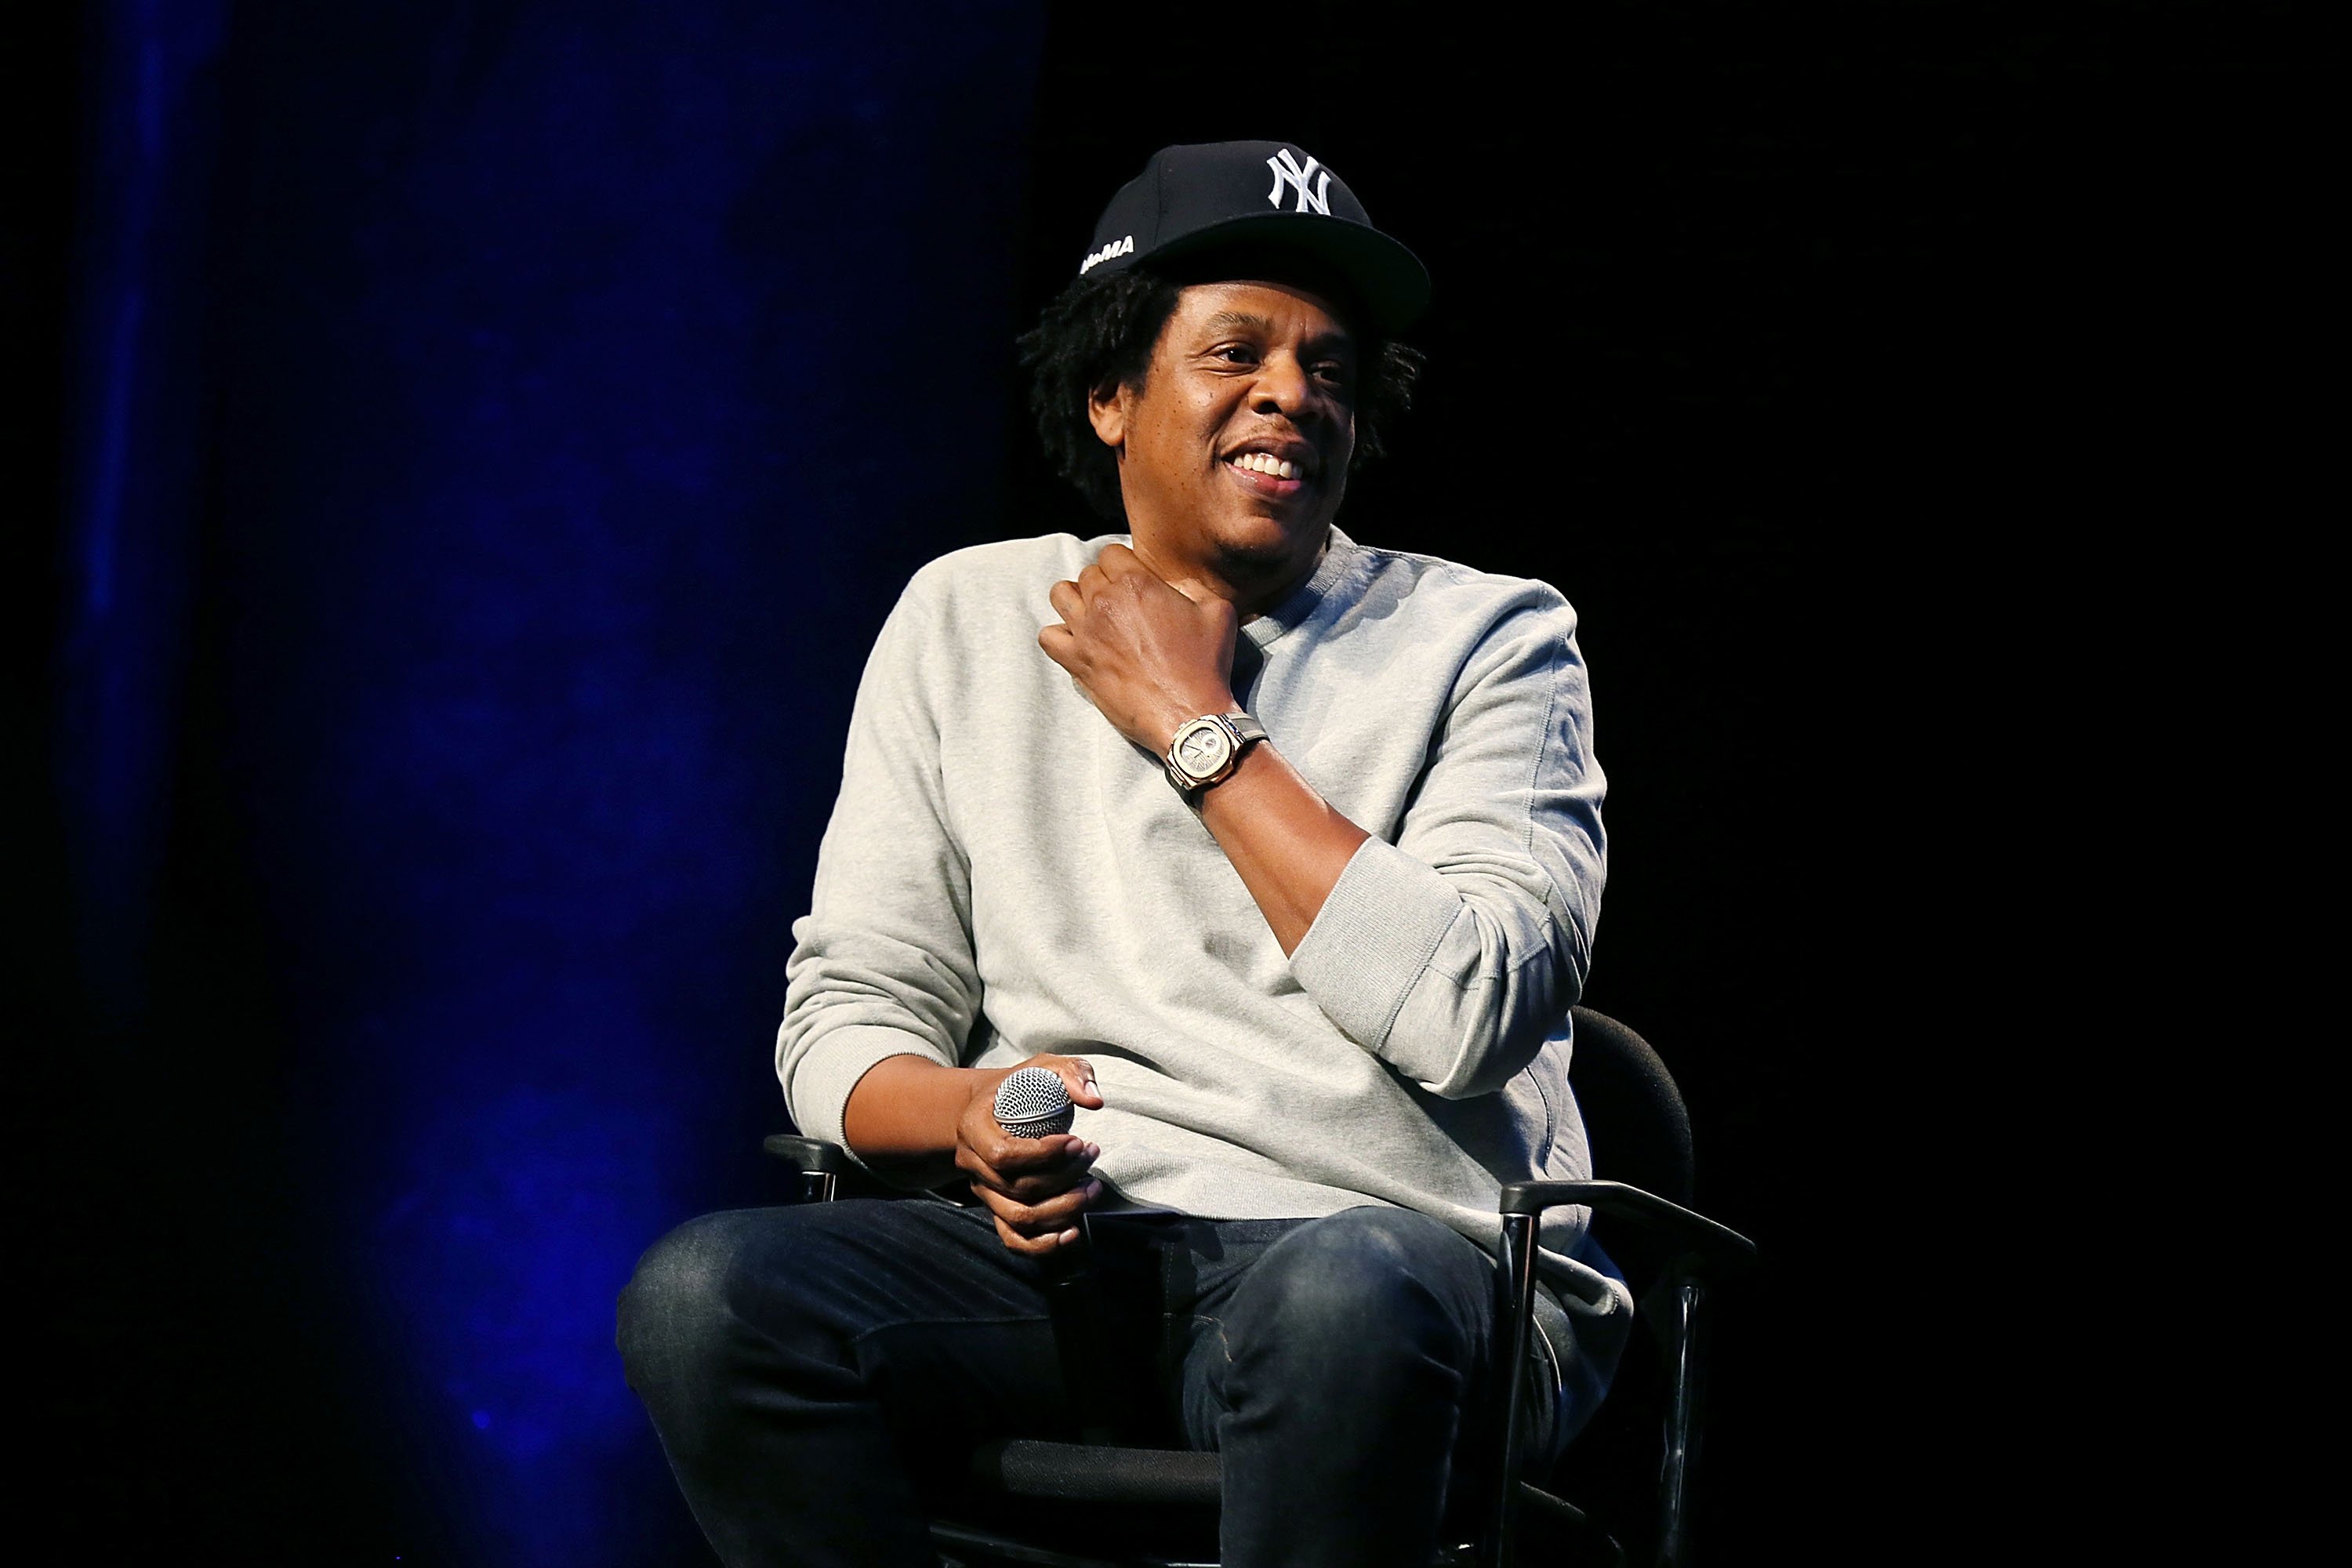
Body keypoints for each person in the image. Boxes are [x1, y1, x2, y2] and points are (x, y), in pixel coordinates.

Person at [619, 140, 1632, 1568]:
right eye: (1238, 352)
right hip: (1081, 1271)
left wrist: (1194, 721)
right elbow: (847, 1013)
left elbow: (1470, 1015)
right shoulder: (966, 619)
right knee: (706, 1295)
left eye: (1330, 368)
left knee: (1343, 1294)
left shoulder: (1493, 639)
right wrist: (957, 1113)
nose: (1294, 392)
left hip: (1404, 1262)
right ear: (1112, 396)